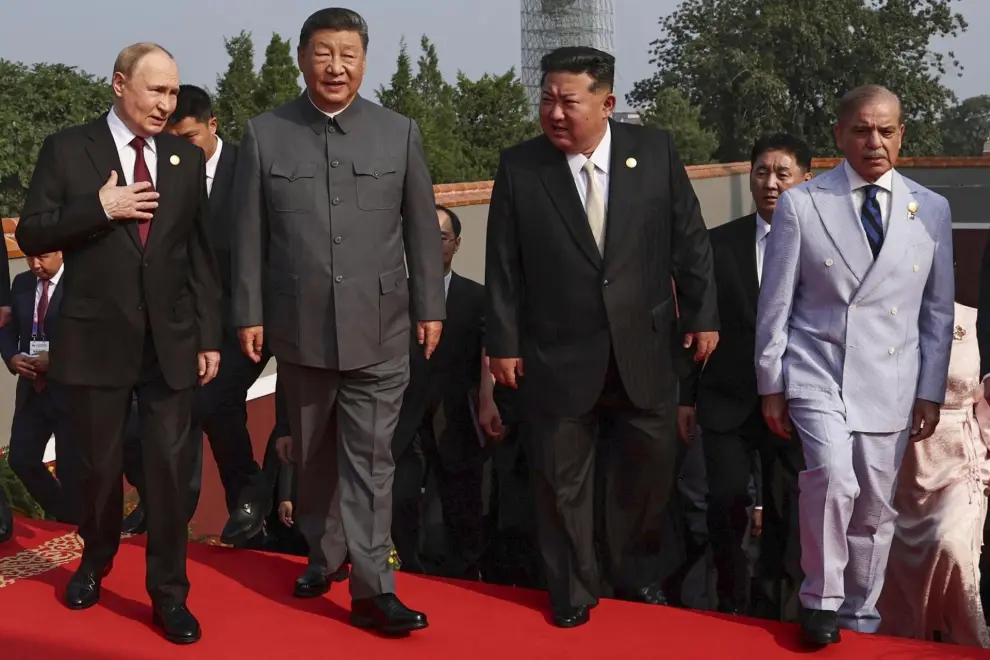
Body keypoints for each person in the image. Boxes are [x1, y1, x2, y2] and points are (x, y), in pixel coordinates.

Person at [484, 45, 719, 628]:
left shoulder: (655, 152)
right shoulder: (521, 167)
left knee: (647, 473)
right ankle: (570, 588)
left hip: (644, 347)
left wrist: (703, 314)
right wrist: (503, 344)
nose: (555, 113)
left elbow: (689, 241)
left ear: (607, 102)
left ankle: (636, 577)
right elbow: (503, 266)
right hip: (555, 352)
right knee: (561, 480)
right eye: (546, 100)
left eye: (569, 101)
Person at [231, 8, 444, 634]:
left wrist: (431, 304)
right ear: (302, 58)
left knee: (372, 459)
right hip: (300, 330)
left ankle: (374, 589)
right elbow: (249, 238)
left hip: (381, 327)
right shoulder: (266, 134)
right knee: (315, 457)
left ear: (363, 61)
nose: (336, 66)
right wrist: (249, 313)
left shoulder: (397, 131)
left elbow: (421, 231)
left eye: (348, 53)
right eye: (323, 53)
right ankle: (323, 559)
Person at [15, 43, 222, 644]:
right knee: (98, 470)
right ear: (119, 84)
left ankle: (168, 593)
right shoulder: (67, 148)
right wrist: (100, 207)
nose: (166, 103)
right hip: (95, 341)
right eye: (155, 91)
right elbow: (31, 229)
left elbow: (200, 258)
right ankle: (96, 556)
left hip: (171, 343)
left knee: (166, 472)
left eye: (173, 93)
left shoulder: (184, 160)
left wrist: (208, 334)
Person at [755, 84, 953, 646]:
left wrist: (930, 390)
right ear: (839, 135)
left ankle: (860, 613)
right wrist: (772, 383)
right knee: (833, 480)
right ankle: (821, 598)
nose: (874, 142)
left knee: (872, 508)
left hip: (892, 379)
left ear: (902, 136)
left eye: (886, 131)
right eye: (862, 130)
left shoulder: (931, 209)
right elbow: (777, 303)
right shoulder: (804, 203)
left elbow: (936, 312)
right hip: (818, 368)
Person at [122, 84, 270, 543]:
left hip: (245, 321)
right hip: (181, 321)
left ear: (212, 125)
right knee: (152, 414)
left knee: (212, 403)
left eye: (188, 138)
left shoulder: (251, 169)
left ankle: (247, 500)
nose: (179, 149)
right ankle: (162, 504)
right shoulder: (158, 171)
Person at [679, 134, 812, 617]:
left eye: (783, 174)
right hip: (726, 399)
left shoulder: (822, 244)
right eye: (761, 172)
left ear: (805, 180)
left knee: (787, 509)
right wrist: (685, 397)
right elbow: (693, 324)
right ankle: (730, 599)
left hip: (796, 403)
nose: (771, 183)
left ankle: (778, 602)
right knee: (726, 502)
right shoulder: (718, 243)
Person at [877, 249, 990, 648]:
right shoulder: (884, 323)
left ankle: (970, 646)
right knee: (899, 570)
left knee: (953, 546)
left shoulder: (974, 321)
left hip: (961, 460)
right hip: (900, 467)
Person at [391, 204, 496, 580]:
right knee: (400, 507)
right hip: (401, 422)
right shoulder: (391, 297)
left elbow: (489, 357)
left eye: (441, 237)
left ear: (457, 244)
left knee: (456, 512)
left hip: (455, 421)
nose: (432, 245)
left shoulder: (478, 298)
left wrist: (487, 401)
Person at [0, 250, 80, 524]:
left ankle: (80, 524)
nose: (36, 265)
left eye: (43, 257)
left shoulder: (80, 283)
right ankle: (67, 514)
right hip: (32, 388)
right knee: (21, 459)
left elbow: (94, 336)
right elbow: (7, 329)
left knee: (71, 468)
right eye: (30, 258)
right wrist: (12, 357)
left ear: (61, 252)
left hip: (69, 391)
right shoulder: (22, 283)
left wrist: (56, 359)